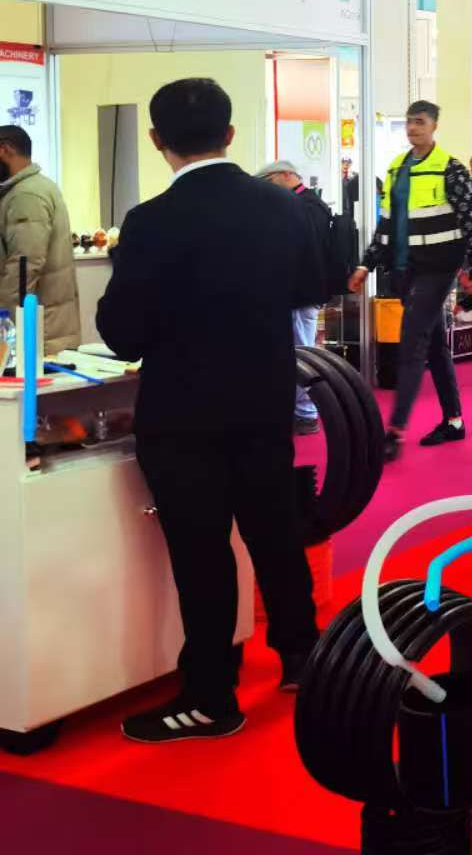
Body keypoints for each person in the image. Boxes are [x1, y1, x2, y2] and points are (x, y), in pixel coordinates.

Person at [96, 78, 322, 744]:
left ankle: (211, 695)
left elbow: (122, 335)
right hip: (264, 397)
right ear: (229, 134)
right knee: (275, 531)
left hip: (184, 412)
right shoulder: (281, 206)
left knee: (202, 552)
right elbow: (311, 288)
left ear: (156, 140)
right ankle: (303, 657)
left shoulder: (150, 221)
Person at [348, 101, 472, 460]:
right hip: (405, 271)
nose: (413, 128)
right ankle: (454, 421)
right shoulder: (396, 168)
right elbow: (386, 224)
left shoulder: (451, 169)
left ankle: (394, 431)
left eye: (420, 122)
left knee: (411, 343)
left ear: (434, 125)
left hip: (438, 270)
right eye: (409, 122)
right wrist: (366, 264)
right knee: (435, 346)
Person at [256, 159, 337, 434]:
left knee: (301, 355)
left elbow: (301, 252)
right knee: (296, 352)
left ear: (286, 175)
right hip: (300, 293)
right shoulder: (308, 204)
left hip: (302, 294)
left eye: (269, 181)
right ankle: (299, 410)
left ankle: (306, 413)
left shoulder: (306, 207)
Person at [0, 126, 79, 352]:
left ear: (4, 150)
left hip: (35, 337)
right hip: (45, 331)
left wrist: (5, 330)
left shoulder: (25, 195)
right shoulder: (35, 187)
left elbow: (23, 269)